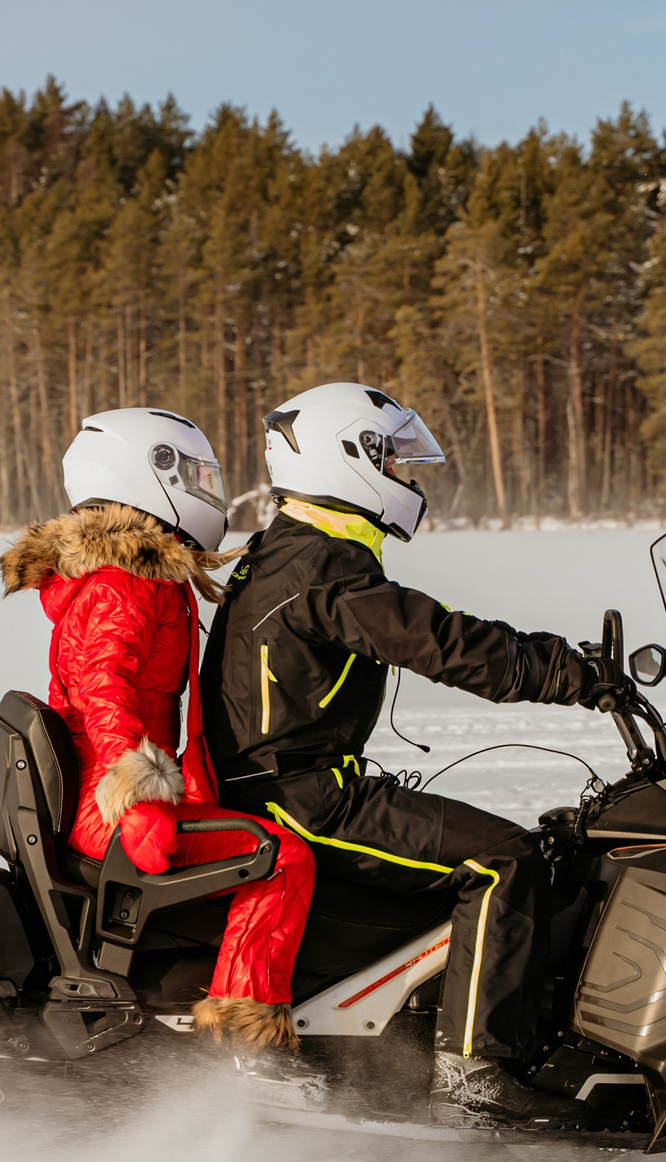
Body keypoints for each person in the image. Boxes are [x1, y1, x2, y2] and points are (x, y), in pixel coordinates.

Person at [195, 382, 594, 1123]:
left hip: (290, 782)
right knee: (506, 858)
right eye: (391, 457)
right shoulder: (321, 567)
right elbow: (436, 639)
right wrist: (566, 671)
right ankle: (473, 1076)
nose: (405, 478)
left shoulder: (291, 549)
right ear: (348, 459)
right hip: (305, 797)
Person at [0, 408, 317, 1062]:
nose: (207, 490)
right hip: (111, 805)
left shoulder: (141, 574)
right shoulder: (126, 581)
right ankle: (246, 1046)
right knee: (282, 855)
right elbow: (102, 688)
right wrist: (137, 794)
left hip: (114, 792)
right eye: (195, 475)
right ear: (148, 476)